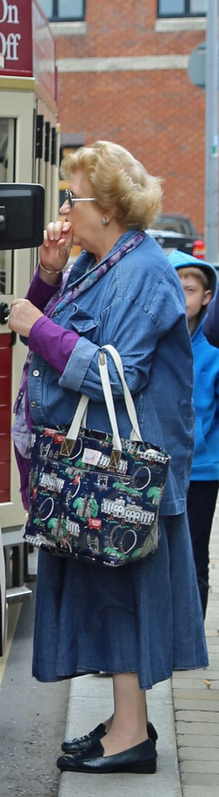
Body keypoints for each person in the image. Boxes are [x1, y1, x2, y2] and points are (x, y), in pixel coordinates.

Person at [8, 140, 208, 775]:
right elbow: (59, 319)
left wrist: (33, 325)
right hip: (95, 466)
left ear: (110, 209)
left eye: (74, 197)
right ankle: (127, 723)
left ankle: (131, 735)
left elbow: (115, 373)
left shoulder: (142, 271)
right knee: (107, 589)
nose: (67, 207)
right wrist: (46, 273)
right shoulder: (105, 261)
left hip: (121, 473)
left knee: (120, 592)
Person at [168, 249, 219, 617]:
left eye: (189, 289)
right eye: (174, 287)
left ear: (206, 298)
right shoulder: (152, 343)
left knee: (193, 554)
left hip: (201, 471)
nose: (180, 296)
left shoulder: (214, 352)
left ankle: (191, 636)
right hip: (157, 469)